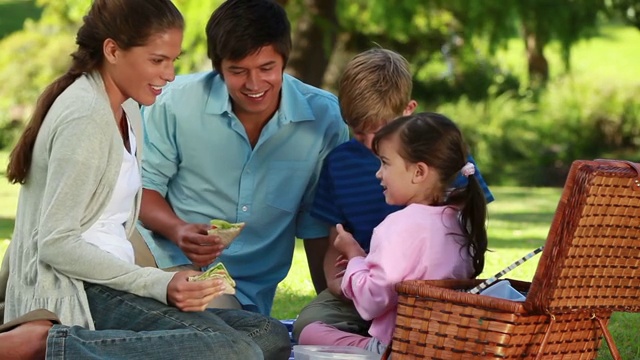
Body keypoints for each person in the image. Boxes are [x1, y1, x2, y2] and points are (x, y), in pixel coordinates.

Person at [0, 0, 290, 359]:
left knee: (268, 334)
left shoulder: (127, 108)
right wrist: (157, 283)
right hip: (78, 289)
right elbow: (55, 243)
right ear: (112, 51)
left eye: (173, 61)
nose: (169, 75)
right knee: (236, 351)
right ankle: (46, 345)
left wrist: (155, 281)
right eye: (157, 60)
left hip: (113, 280)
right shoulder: (85, 118)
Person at [133, 0, 348, 316]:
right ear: (219, 67)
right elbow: (143, 190)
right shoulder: (174, 103)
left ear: (284, 61)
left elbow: (318, 223)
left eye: (267, 68)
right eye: (238, 71)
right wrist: (178, 229)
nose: (254, 84)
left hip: (243, 292)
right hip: (162, 256)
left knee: (250, 337)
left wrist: (329, 309)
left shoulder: (325, 119)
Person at [292, 48, 494, 340]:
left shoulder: (438, 151)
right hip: (364, 285)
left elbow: (468, 218)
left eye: (379, 129)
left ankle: (378, 346)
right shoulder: (340, 163)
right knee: (308, 324)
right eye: (359, 131)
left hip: (431, 294)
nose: (370, 142)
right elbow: (334, 236)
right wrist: (336, 284)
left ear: (408, 110)